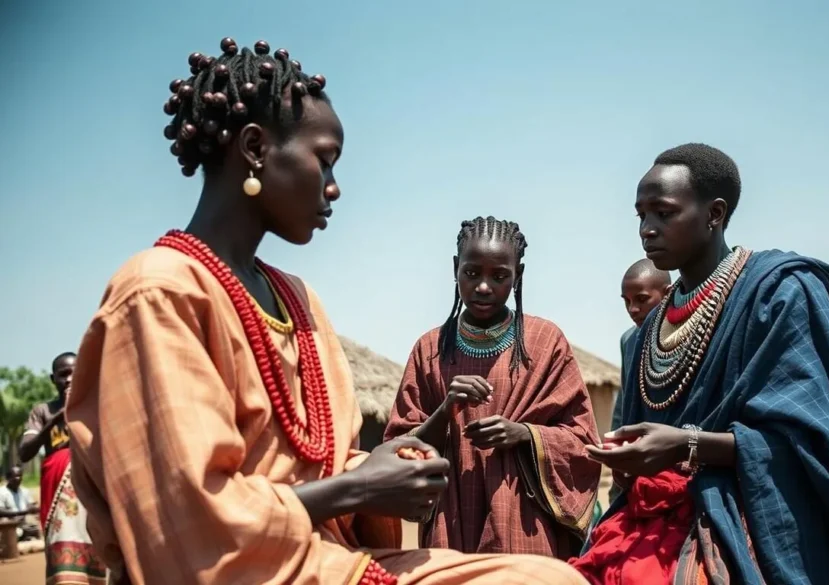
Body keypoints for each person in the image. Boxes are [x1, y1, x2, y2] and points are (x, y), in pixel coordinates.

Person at [66, 38, 586, 585]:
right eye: (324, 161)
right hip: (251, 569)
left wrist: (395, 467)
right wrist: (364, 484)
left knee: (553, 577)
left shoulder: (298, 299)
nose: (334, 188)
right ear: (254, 148)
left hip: (330, 554)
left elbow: (328, 463)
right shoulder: (159, 292)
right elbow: (188, 518)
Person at [573, 143, 829, 584]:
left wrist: (688, 445)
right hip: (654, 515)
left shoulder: (782, 294)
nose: (647, 229)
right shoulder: (651, 329)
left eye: (663, 213)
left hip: (750, 516)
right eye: (640, 215)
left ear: (714, 214)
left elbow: (824, 444)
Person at [384, 217, 601, 559]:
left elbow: (583, 442)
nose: (483, 287)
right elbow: (398, 449)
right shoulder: (429, 349)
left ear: (519, 275)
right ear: (455, 269)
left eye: (499, 276)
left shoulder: (545, 342)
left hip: (525, 521)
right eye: (472, 273)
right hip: (451, 519)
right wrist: (446, 410)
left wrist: (525, 434)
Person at [20, 352, 105, 583]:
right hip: (58, 498)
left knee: (98, 548)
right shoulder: (42, 412)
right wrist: (59, 417)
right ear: (52, 379)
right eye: (62, 374)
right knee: (63, 559)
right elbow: (25, 451)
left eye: (74, 372)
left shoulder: (95, 408)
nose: (69, 379)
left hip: (91, 494)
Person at [607, 260, 670, 502]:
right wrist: (615, 454)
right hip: (639, 463)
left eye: (642, 299)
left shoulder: (689, 335)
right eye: (627, 301)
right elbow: (623, 407)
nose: (633, 309)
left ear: (666, 294)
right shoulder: (629, 341)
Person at [0, 466, 41, 540]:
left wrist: (35, 508)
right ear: (8, 478)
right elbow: (1, 511)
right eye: (15, 476)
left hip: (22, 524)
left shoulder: (24, 491)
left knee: (35, 529)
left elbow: (30, 506)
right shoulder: (2, 492)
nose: (18, 478)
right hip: (8, 526)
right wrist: (20, 513)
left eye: (20, 476)